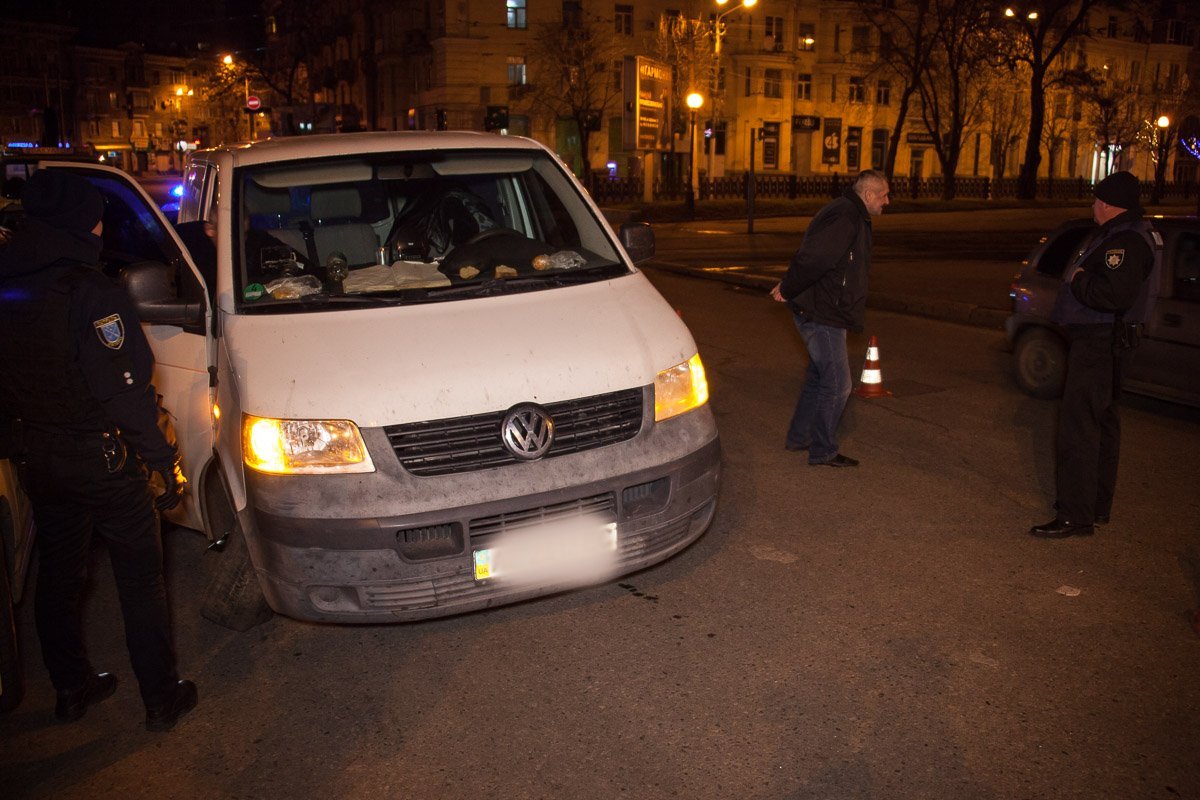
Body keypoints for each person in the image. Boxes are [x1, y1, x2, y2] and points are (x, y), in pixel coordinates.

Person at [0, 169, 197, 730]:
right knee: (139, 579)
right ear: (76, 223)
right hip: (104, 459)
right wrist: (163, 464)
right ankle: (161, 698)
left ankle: (70, 688)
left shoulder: (10, 285)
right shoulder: (90, 293)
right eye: (95, 217)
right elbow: (124, 391)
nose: (99, 227)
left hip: (38, 457)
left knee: (59, 574)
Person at [1030, 171, 1156, 538]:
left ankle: (1075, 516)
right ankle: (1094, 506)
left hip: (1099, 342)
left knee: (1079, 429)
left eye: (1095, 200)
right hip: (1108, 341)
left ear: (1105, 203)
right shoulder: (1125, 233)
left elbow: (1112, 296)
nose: (1092, 206)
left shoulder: (1126, 241)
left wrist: (1080, 277)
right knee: (1101, 425)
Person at [770, 169, 890, 467]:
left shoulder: (851, 213)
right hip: (822, 312)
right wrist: (787, 287)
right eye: (884, 195)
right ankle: (822, 450)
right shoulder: (846, 217)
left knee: (819, 377)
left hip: (825, 308)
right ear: (869, 194)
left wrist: (789, 286)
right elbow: (814, 259)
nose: (887, 201)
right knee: (838, 384)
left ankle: (800, 438)